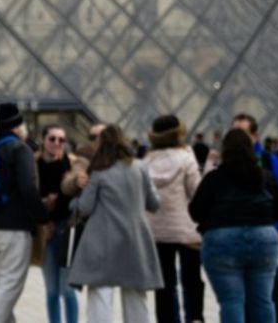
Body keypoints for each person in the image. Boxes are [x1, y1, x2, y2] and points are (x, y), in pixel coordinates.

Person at [189, 128, 278, 323]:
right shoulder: (264, 177)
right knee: (263, 301)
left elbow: (195, 212)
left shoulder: (214, 179)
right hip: (263, 238)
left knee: (231, 302)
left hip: (221, 240)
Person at [70, 124, 163, 323]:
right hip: (135, 240)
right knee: (136, 297)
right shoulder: (140, 167)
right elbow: (154, 203)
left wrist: (73, 203)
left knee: (100, 297)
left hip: (102, 242)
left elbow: (85, 207)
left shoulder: (99, 171)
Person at [0, 101, 47, 323]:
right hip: (15, 229)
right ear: (18, 126)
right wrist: (41, 217)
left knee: (2, 288)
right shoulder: (19, 149)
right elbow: (28, 188)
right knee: (9, 289)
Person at [232, 113, 278, 323]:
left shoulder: (270, 160)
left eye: (242, 133)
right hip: (238, 235)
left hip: (269, 233)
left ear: (255, 136)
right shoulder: (229, 163)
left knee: (273, 287)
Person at [144, 115, 203, 323]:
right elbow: (197, 192)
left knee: (165, 285)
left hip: (157, 232)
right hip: (186, 230)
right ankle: (194, 318)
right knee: (192, 282)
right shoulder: (187, 158)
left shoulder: (146, 161)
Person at [36, 124, 80, 323]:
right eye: (52, 138)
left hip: (66, 229)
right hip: (45, 231)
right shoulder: (33, 164)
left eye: (61, 139)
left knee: (67, 289)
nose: (56, 143)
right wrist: (44, 205)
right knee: (51, 290)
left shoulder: (72, 164)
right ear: (43, 140)